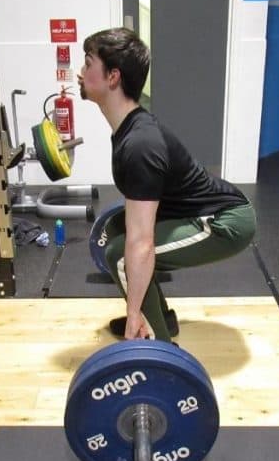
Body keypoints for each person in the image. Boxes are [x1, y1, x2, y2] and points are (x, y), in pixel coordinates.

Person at [77, 28, 256, 342]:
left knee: (123, 253)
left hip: (224, 222)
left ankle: (160, 351)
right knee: (118, 230)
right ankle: (161, 318)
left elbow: (143, 244)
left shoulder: (139, 145)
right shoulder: (129, 128)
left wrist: (133, 314)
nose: (80, 72)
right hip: (201, 211)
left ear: (112, 77)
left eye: (88, 63)